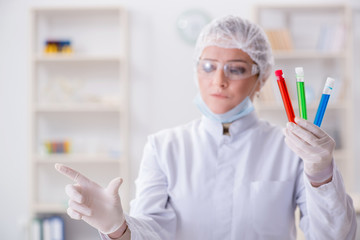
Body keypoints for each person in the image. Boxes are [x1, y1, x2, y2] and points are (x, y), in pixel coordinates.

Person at [55, 15, 357, 240]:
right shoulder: (165, 147)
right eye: (209, 65)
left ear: (261, 79)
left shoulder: (289, 147)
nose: (219, 81)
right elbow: (153, 233)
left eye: (236, 69)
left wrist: (321, 174)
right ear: (196, 68)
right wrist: (117, 226)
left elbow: (334, 236)